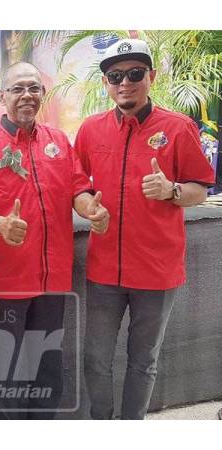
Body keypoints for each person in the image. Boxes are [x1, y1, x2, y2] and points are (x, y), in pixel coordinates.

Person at [74, 38, 215, 420]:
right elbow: (77, 185)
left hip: (157, 270)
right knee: (95, 359)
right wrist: (88, 206)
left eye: (135, 73)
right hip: (105, 270)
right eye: (115, 75)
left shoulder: (178, 127)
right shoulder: (90, 130)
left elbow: (201, 187)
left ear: (150, 77)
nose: (125, 82)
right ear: (106, 82)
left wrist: (171, 190)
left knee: (143, 360)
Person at [0, 61, 109, 419]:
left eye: (33, 88)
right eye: (17, 89)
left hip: (53, 279)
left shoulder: (58, 142)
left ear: (42, 95)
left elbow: (77, 187)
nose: (26, 95)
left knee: (47, 366)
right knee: (7, 371)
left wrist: (89, 207)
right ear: (2, 96)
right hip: (6, 280)